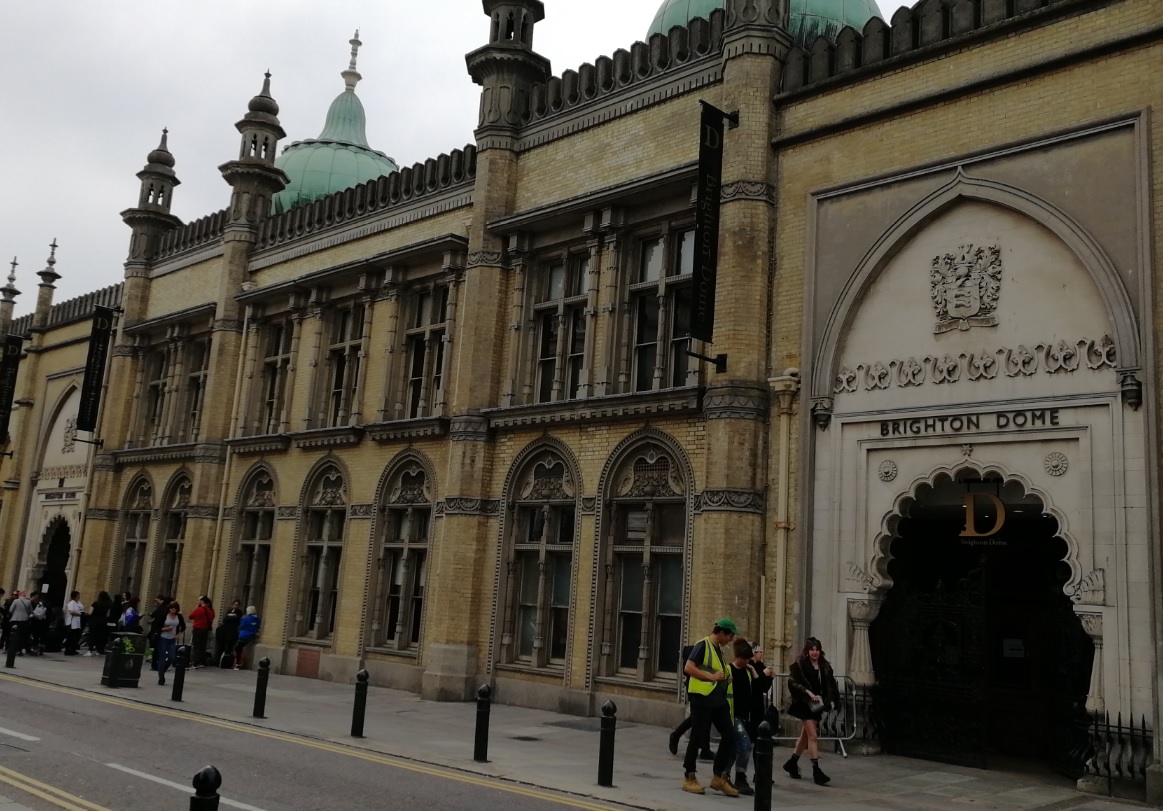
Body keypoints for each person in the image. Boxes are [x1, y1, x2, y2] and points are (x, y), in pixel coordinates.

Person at [680, 618, 740, 796]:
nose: (731, 639)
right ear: (721, 633)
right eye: (730, 636)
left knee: (729, 734)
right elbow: (688, 667)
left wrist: (725, 678)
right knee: (697, 737)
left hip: (717, 699)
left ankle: (718, 777)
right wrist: (711, 677)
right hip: (702, 698)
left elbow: (714, 670)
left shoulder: (719, 649)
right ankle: (689, 777)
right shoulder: (702, 645)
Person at [783, 637, 840, 786]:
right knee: (813, 736)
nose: (815, 652)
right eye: (812, 649)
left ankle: (792, 763)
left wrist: (831, 700)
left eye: (817, 650)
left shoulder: (824, 666)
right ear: (807, 651)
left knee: (805, 736)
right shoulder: (800, 666)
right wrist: (807, 692)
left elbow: (830, 685)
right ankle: (816, 771)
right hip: (804, 704)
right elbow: (793, 682)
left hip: (817, 705)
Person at [155, 601, 185, 686]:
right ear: (169, 608)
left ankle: (162, 671)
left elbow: (183, 626)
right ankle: (161, 677)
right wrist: (165, 629)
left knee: (172, 657)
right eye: (171, 607)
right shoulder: (164, 615)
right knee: (162, 657)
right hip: (163, 638)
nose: (173, 609)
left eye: (175, 608)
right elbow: (157, 626)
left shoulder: (179, 616)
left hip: (172, 639)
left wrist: (178, 634)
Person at [188, 596, 215, 669]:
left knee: (196, 646)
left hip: (197, 629)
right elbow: (212, 618)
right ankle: (202, 662)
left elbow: (190, 616)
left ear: (202, 602)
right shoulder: (210, 610)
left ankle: (196, 663)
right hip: (205, 629)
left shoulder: (199, 609)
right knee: (203, 646)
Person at [6, 591, 34, 659]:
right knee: (22, 635)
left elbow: (10, 610)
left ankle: (12, 649)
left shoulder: (15, 601)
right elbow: (31, 611)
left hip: (15, 619)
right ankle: (19, 650)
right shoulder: (28, 602)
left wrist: (14, 614)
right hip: (24, 620)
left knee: (13, 635)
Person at [216, 599, 243, 667]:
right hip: (225, 631)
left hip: (233, 631)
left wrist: (232, 617)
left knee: (230, 646)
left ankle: (227, 661)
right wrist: (231, 616)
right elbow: (225, 620)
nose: (235, 606)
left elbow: (237, 620)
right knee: (222, 646)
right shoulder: (229, 611)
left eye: (237, 605)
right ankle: (218, 661)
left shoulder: (239, 612)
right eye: (234, 605)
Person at [234, 606, 260, 670]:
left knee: (238, 648)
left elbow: (241, 626)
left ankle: (237, 663)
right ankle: (238, 663)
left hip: (243, 636)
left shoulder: (245, 618)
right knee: (239, 647)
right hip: (251, 635)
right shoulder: (257, 619)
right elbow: (257, 626)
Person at [147, 594, 169, 671]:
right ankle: (156, 662)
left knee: (153, 646)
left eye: (157, 600)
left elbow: (153, 616)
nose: (156, 601)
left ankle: (151, 660)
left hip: (156, 630)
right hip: (161, 630)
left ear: (162, 600)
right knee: (158, 647)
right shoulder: (166, 609)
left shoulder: (160, 609)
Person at [64, 591, 85, 655]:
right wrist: (80, 614)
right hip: (72, 622)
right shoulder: (71, 603)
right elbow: (71, 612)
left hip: (78, 622)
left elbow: (82, 609)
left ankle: (73, 649)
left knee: (76, 636)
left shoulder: (79, 603)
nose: (79, 596)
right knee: (71, 637)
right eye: (78, 595)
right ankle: (68, 649)